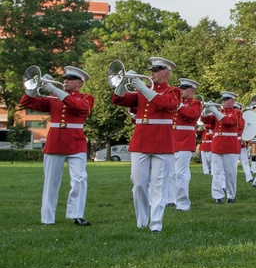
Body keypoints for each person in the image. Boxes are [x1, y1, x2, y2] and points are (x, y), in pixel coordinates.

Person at [111, 57, 180, 232]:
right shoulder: (142, 92)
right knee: (139, 184)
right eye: (152, 70)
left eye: (156, 71)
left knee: (159, 185)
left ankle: (156, 224)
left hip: (162, 142)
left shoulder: (173, 91)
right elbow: (118, 100)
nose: (151, 73)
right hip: (140, 140)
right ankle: (142, 221)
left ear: (166, 73)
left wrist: (142, 87)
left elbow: (166, 105)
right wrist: (122, 82)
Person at [20, 65, 94, 226]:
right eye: (64, 79)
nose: (66, 81)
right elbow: (26, 101)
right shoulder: (53, 98)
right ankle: (47, 218)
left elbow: (78, 107)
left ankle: (77, 214)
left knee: (80, 179)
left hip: (76, 143)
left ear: (79, 83)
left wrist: (53, 89)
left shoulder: (86, 97)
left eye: (70, 79)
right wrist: (36, 86)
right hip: (55, 142)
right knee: (51, 182)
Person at [168, 78, 202, 211]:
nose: (181, 91)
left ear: (192, 90)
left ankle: (182, 204)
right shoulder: (177, 102)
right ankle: (171, 199)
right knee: (170, 173)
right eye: (180, 88)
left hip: (185, 140)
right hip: (172, 139)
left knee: (180, 174)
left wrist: (179, 105)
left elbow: (192, 116)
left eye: (184, 89)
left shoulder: (195, 103)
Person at [204, 92, 243, 204]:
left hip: (230, 146)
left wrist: (215, 111)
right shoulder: (219, 112)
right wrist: (206, 110)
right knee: (216, 172)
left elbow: (228, 121)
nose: (223, 101)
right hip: (217, 145)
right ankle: (217, 196)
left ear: (233, 101)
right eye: (223, 99)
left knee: (230, 172)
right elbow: (206, 121)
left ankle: (231, 195)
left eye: (226, 99)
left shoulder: (237, 112)